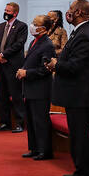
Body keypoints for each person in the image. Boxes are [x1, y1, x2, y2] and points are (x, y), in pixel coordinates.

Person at [47, 0, 89, 176]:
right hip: (78, 94)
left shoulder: (85, 34)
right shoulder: (80, 32)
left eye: (70, 9)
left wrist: (56, 65)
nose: (67, 13)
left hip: (82, 94)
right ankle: (81, 171)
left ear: (78, 12)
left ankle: (84, 175)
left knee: (80, 136)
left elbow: (75, 66)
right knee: (78, 135)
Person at [19, 14, 56, 160]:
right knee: (32, 120)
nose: (32, 26)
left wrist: (26, 72)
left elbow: (45, 69)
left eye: (36, 24)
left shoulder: (47, 44)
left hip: (40, 89)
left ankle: (44, 150)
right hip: (30, 88)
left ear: (44, 29)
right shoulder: (35, 41)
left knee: (40, 120)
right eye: (33, 22)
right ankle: (34, 148)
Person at [0, 2, 28, 132]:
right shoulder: (0, 26)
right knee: (2, 96)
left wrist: (4, 54)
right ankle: (4, 123)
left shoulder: (21, 26)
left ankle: (19, 123)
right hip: (0, 65)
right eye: (5, 9)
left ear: (15, 13)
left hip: (13, 65)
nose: (5, 12)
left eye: (8, 10)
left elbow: (19, 44)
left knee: (16, 95)